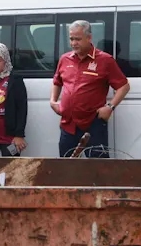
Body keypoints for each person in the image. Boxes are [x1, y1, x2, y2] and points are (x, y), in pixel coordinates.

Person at [50, 20, 129, 157]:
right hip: (68, 125)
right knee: (65, 167)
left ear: (89, 37)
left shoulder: (104, 60)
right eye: (71, 39)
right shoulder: (65, 59)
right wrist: (53, 101)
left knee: (97, 169)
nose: (74, 43)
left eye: (78, 39)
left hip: (93, 124)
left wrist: (110, 107)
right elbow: (57, 82)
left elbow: (124, 86)